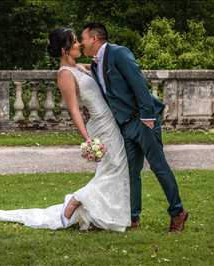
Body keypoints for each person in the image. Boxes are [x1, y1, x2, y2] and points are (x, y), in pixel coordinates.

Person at [0, 28, 131, 232]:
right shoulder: (64, 75)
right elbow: (74, 110)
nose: (79, 44)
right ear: (65, 50)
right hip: (100, 124)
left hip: (109, 120)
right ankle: (76, 200)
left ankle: (98, 214)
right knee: (115, 167)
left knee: (114, 168)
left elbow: (105, 69)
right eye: (74, 42)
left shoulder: (79, 67)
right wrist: (87, 138)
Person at [80, 22, 188, 232]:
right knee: (131, 172)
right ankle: (133, 217)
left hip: (142, 120)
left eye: (83, 38)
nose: (82, 43)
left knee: (159, 166)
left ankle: (178, 212)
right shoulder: (96, 63)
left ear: (94, 38)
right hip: (125, 125)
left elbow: (138, 82)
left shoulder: (119, 53)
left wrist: (148, 116)